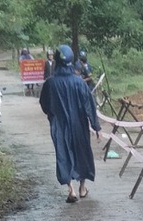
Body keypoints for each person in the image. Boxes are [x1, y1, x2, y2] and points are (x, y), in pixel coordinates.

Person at [39, 44, 101, 203]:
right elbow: (89, 105)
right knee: (82, 153)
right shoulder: (79, 82)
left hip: (60, 125)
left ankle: (70, 190)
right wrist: (95, 126)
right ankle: (82, 187)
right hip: (79, 124)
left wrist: (52, 115)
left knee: (63, 154)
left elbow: (44, 104)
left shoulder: (50, 83)